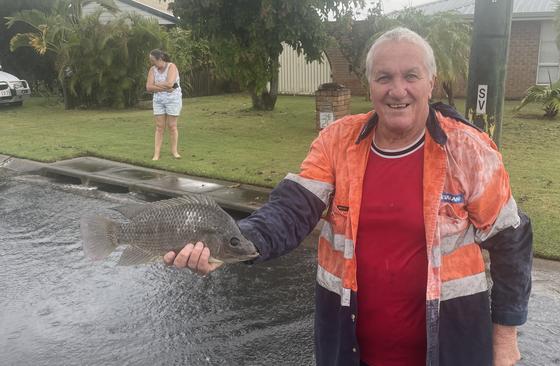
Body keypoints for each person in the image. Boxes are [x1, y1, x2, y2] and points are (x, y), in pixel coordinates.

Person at [164, 27, 533, 366]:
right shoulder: (337, 142)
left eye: (411, 76)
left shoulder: (467, 150)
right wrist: (234, 244)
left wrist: (504, 338)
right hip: (348, 349)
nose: (397, 89)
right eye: (384, 77)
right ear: (368, 84)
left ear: (431, 83)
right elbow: (290, 210)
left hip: (451, 349)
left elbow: (512, 242)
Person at [146, 49, 182, 160]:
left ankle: (174, 152)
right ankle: (156, 154)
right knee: (159, 127)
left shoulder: (172, 67)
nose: (152, 63)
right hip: (158, 101)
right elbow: (148, 87)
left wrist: (156, 85)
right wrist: (165, 87)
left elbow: (171, 83)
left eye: (153, 60)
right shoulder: (152, 69)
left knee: (172, 126)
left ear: (160, 59)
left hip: (173, 100)